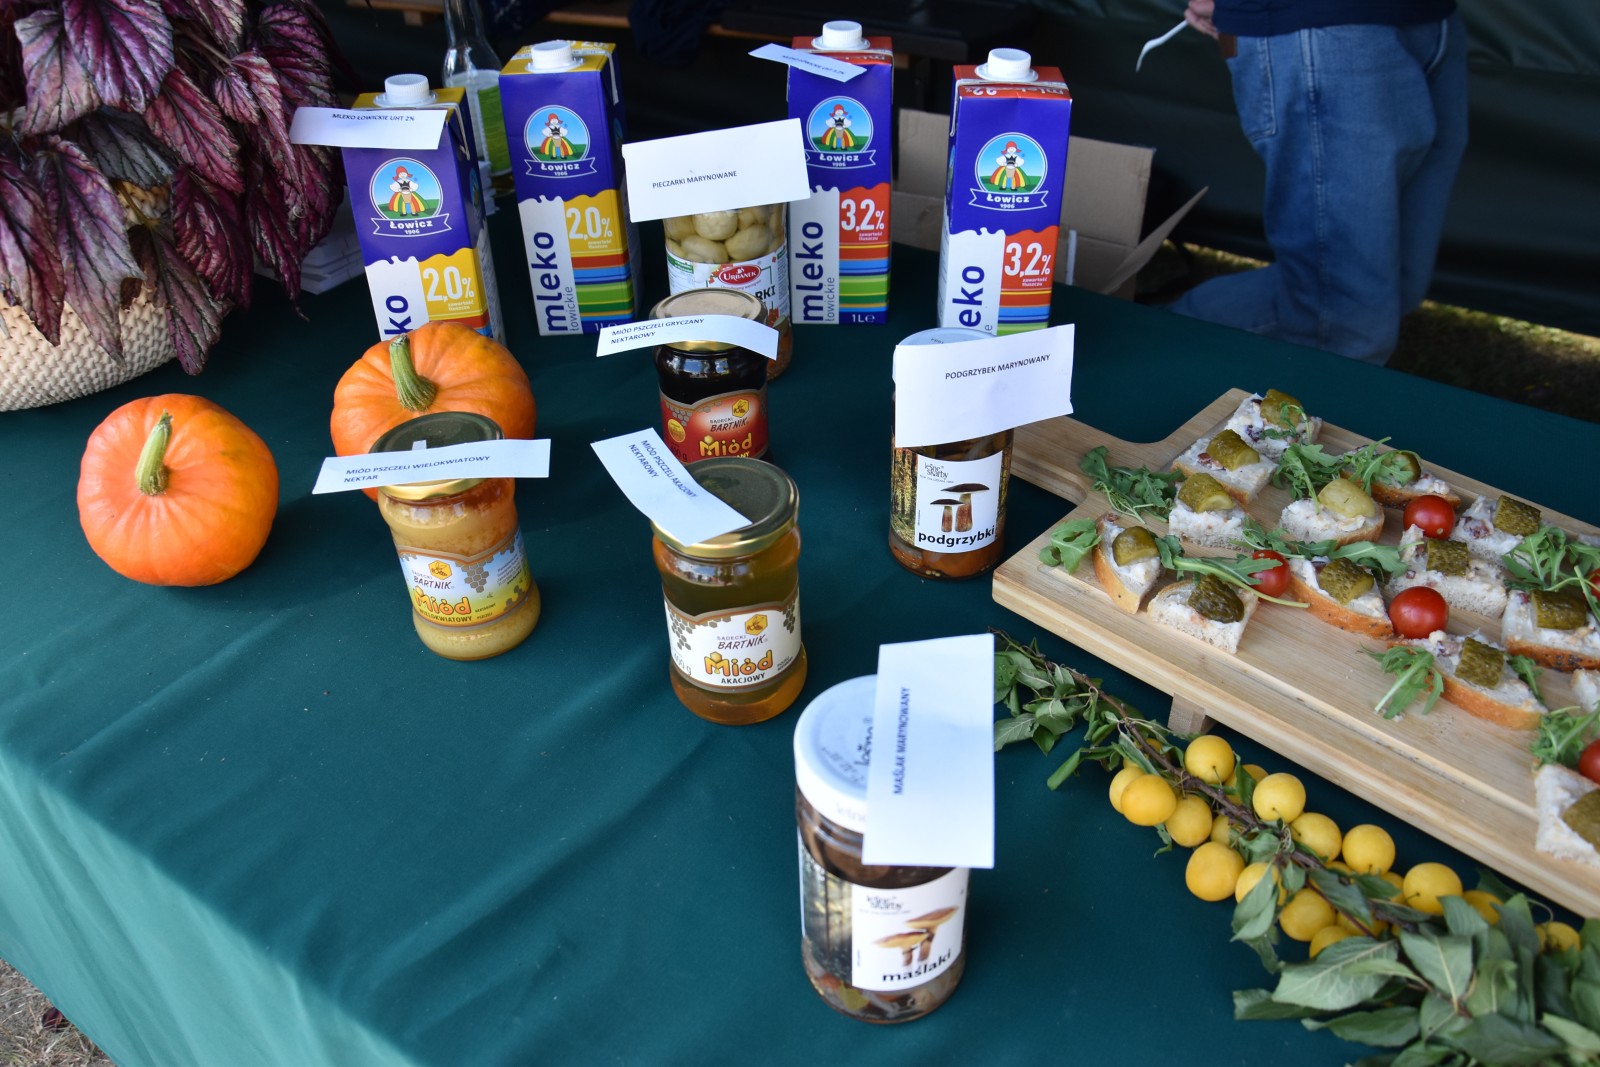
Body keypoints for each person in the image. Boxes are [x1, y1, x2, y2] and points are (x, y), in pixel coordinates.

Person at [1167, 0, 1468, 365]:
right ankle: (1165, 343)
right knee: (1347, 319)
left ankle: (1164, 331)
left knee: (1386, 286)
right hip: (1320, 26)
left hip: (1429, 19)